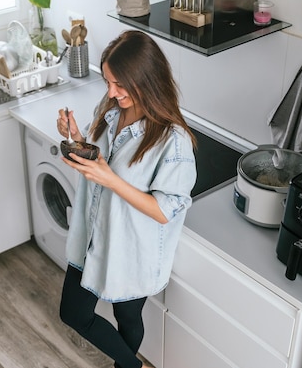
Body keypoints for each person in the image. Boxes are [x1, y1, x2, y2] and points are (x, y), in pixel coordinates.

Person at [56, 30, 197, 368]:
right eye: (108, 82)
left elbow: (165, 210)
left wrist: (111, 179)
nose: (111, 92)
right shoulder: (110, 110)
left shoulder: (172, 141)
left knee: (128, 317)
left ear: (146, 80)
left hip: (132, 248)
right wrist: (75, 137)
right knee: (73, 313)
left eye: (119, 85)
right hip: (92, 236)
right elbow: (99, 160)